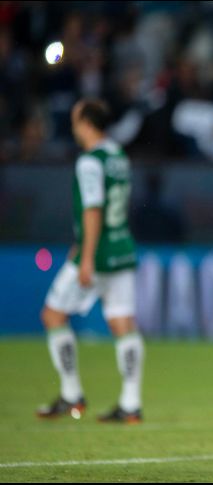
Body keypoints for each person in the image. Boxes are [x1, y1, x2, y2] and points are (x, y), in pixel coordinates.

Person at [37, 98, 144, 424]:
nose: (72, 126)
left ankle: (72, 394)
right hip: (122, 247)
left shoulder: (89, 161)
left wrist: (86, 256)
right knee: (123, 323)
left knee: (53, 315)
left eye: (74, 119)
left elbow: (93, 208)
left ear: (85, 123)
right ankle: (131, 404)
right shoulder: (117, 156)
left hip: (97, 254)